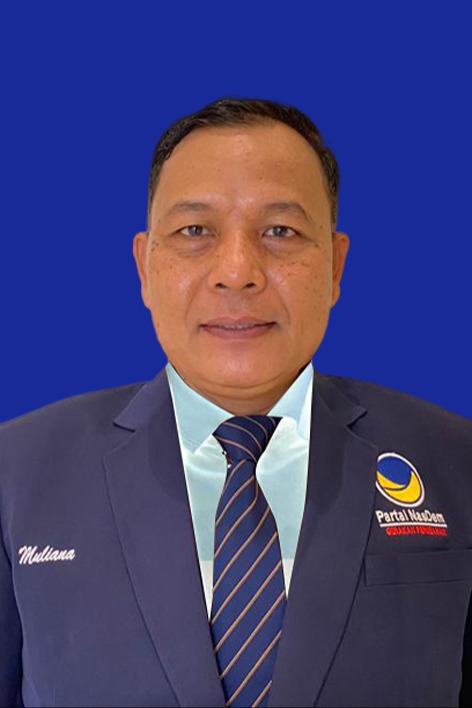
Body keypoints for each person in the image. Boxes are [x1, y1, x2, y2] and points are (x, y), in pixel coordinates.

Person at [1, 97, 471, 708]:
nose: (237, 270)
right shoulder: (17, 470)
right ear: (145, 266)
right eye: (195, 231)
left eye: (280, 231)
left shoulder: (455, 460)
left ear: (335, 265)